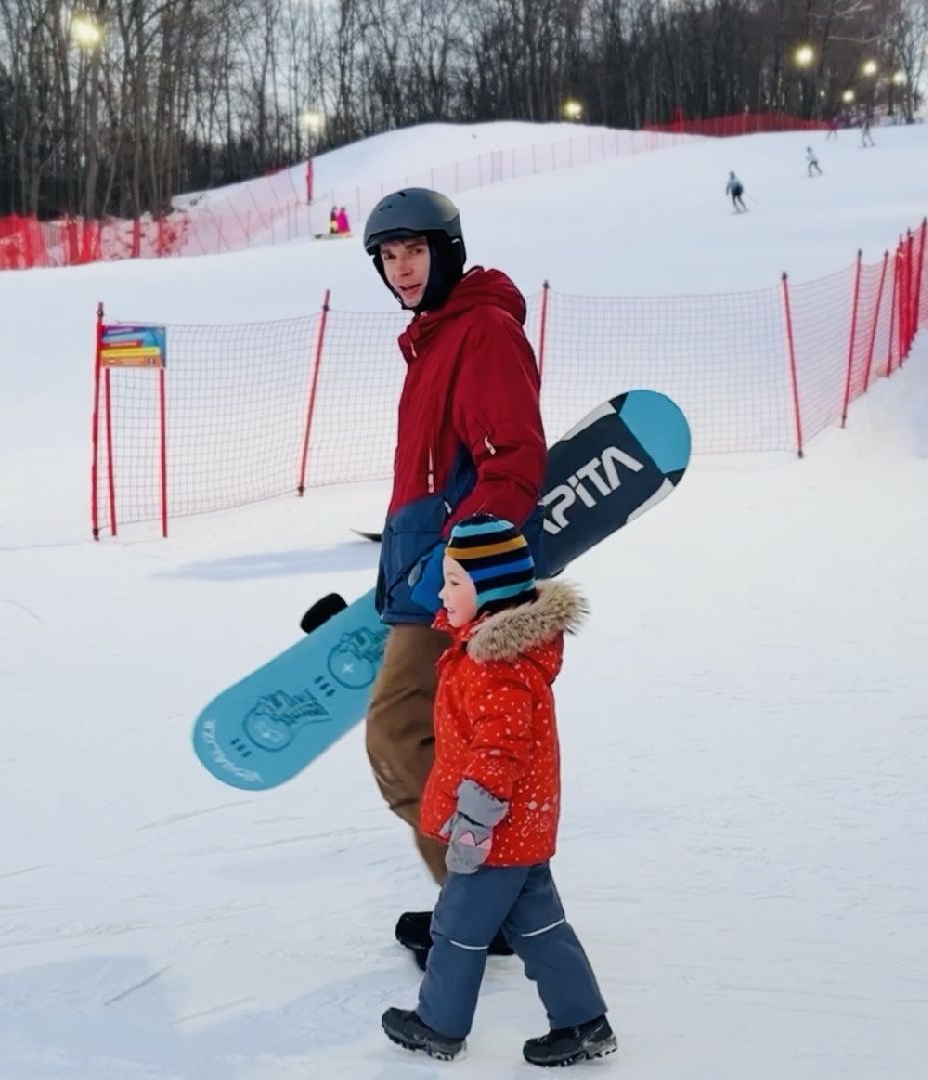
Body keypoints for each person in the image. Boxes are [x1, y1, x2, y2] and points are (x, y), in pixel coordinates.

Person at [361, 188, 547, 957]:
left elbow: (513, 464)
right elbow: (433, 479)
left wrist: (463, 568)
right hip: (425, 574)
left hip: (457, 586)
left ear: (449, 250)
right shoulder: (437, 337)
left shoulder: (481, 334)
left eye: (415, 251)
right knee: (437, 744)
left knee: (401, 735)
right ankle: (489, 907)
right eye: (388, 256)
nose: (402, 270)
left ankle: (485, 912)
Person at [381, 516, 615, 1067]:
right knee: (541, 928)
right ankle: (583, 1022)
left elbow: (499, 752)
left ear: (491, 591)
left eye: (454, 581)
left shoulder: (494, 667)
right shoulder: (490, 651)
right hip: (524, 829)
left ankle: (438, 1025)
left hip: (495, 833)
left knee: (456, 931)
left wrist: (475, 823)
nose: (443, 592)